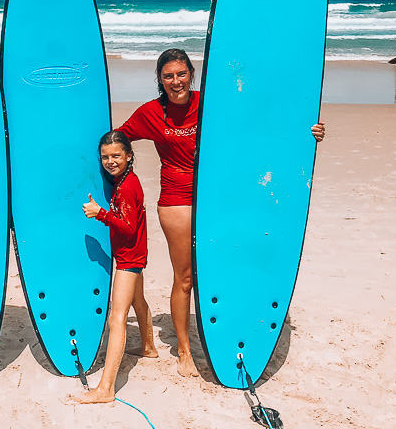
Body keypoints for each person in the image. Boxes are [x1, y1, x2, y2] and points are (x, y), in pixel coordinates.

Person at [115, 48, 325, 378]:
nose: (175, 81)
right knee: (184, 278)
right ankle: (184, 350)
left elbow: (256, 126)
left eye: (181, 74)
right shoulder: (152, 114)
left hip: (216, 200)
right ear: (159, 79)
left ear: (191, 75)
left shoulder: (209, 104)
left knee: (223, 269)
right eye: (168, 75)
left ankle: (226, 331)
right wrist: (116, 174)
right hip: (176, 201)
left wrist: (305, 132)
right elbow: (117, 139)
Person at [72, 131, 157, 404]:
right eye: (105, 157)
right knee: (138, 302)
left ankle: (106, 388)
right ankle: (148, 346)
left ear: (129, 156)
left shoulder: (128, 186)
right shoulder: (122, 182)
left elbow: (129, 229)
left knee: (116, 318)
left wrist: (101, 215)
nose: (110, 161)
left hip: (130, 258)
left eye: (116, 156)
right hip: (133, 254)